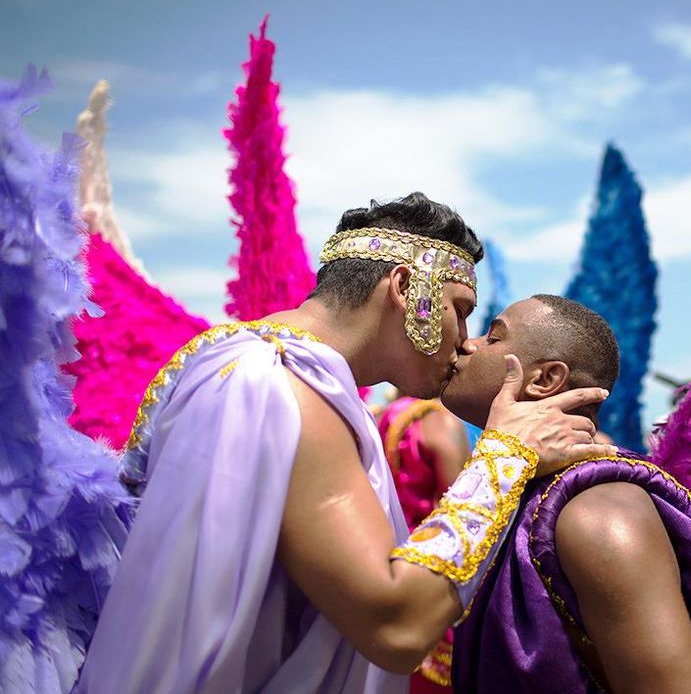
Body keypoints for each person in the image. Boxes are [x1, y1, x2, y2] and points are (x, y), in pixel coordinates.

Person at [77, 194, 610, 693]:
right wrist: (504, 457)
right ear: (406, 288)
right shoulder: (280, 386)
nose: (464, 339)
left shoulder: (251, 363)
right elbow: (395, 625)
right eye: (462, 308)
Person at [441, 295, 691, 694]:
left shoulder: (598, 509)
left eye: (493, 337)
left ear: (544, 380)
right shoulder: (519, 490)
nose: (468, 343)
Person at [376, 392, 470, 691]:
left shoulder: (389, 413)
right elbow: (464, 509)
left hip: (390, 559)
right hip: (430, 570)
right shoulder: (440, 422)